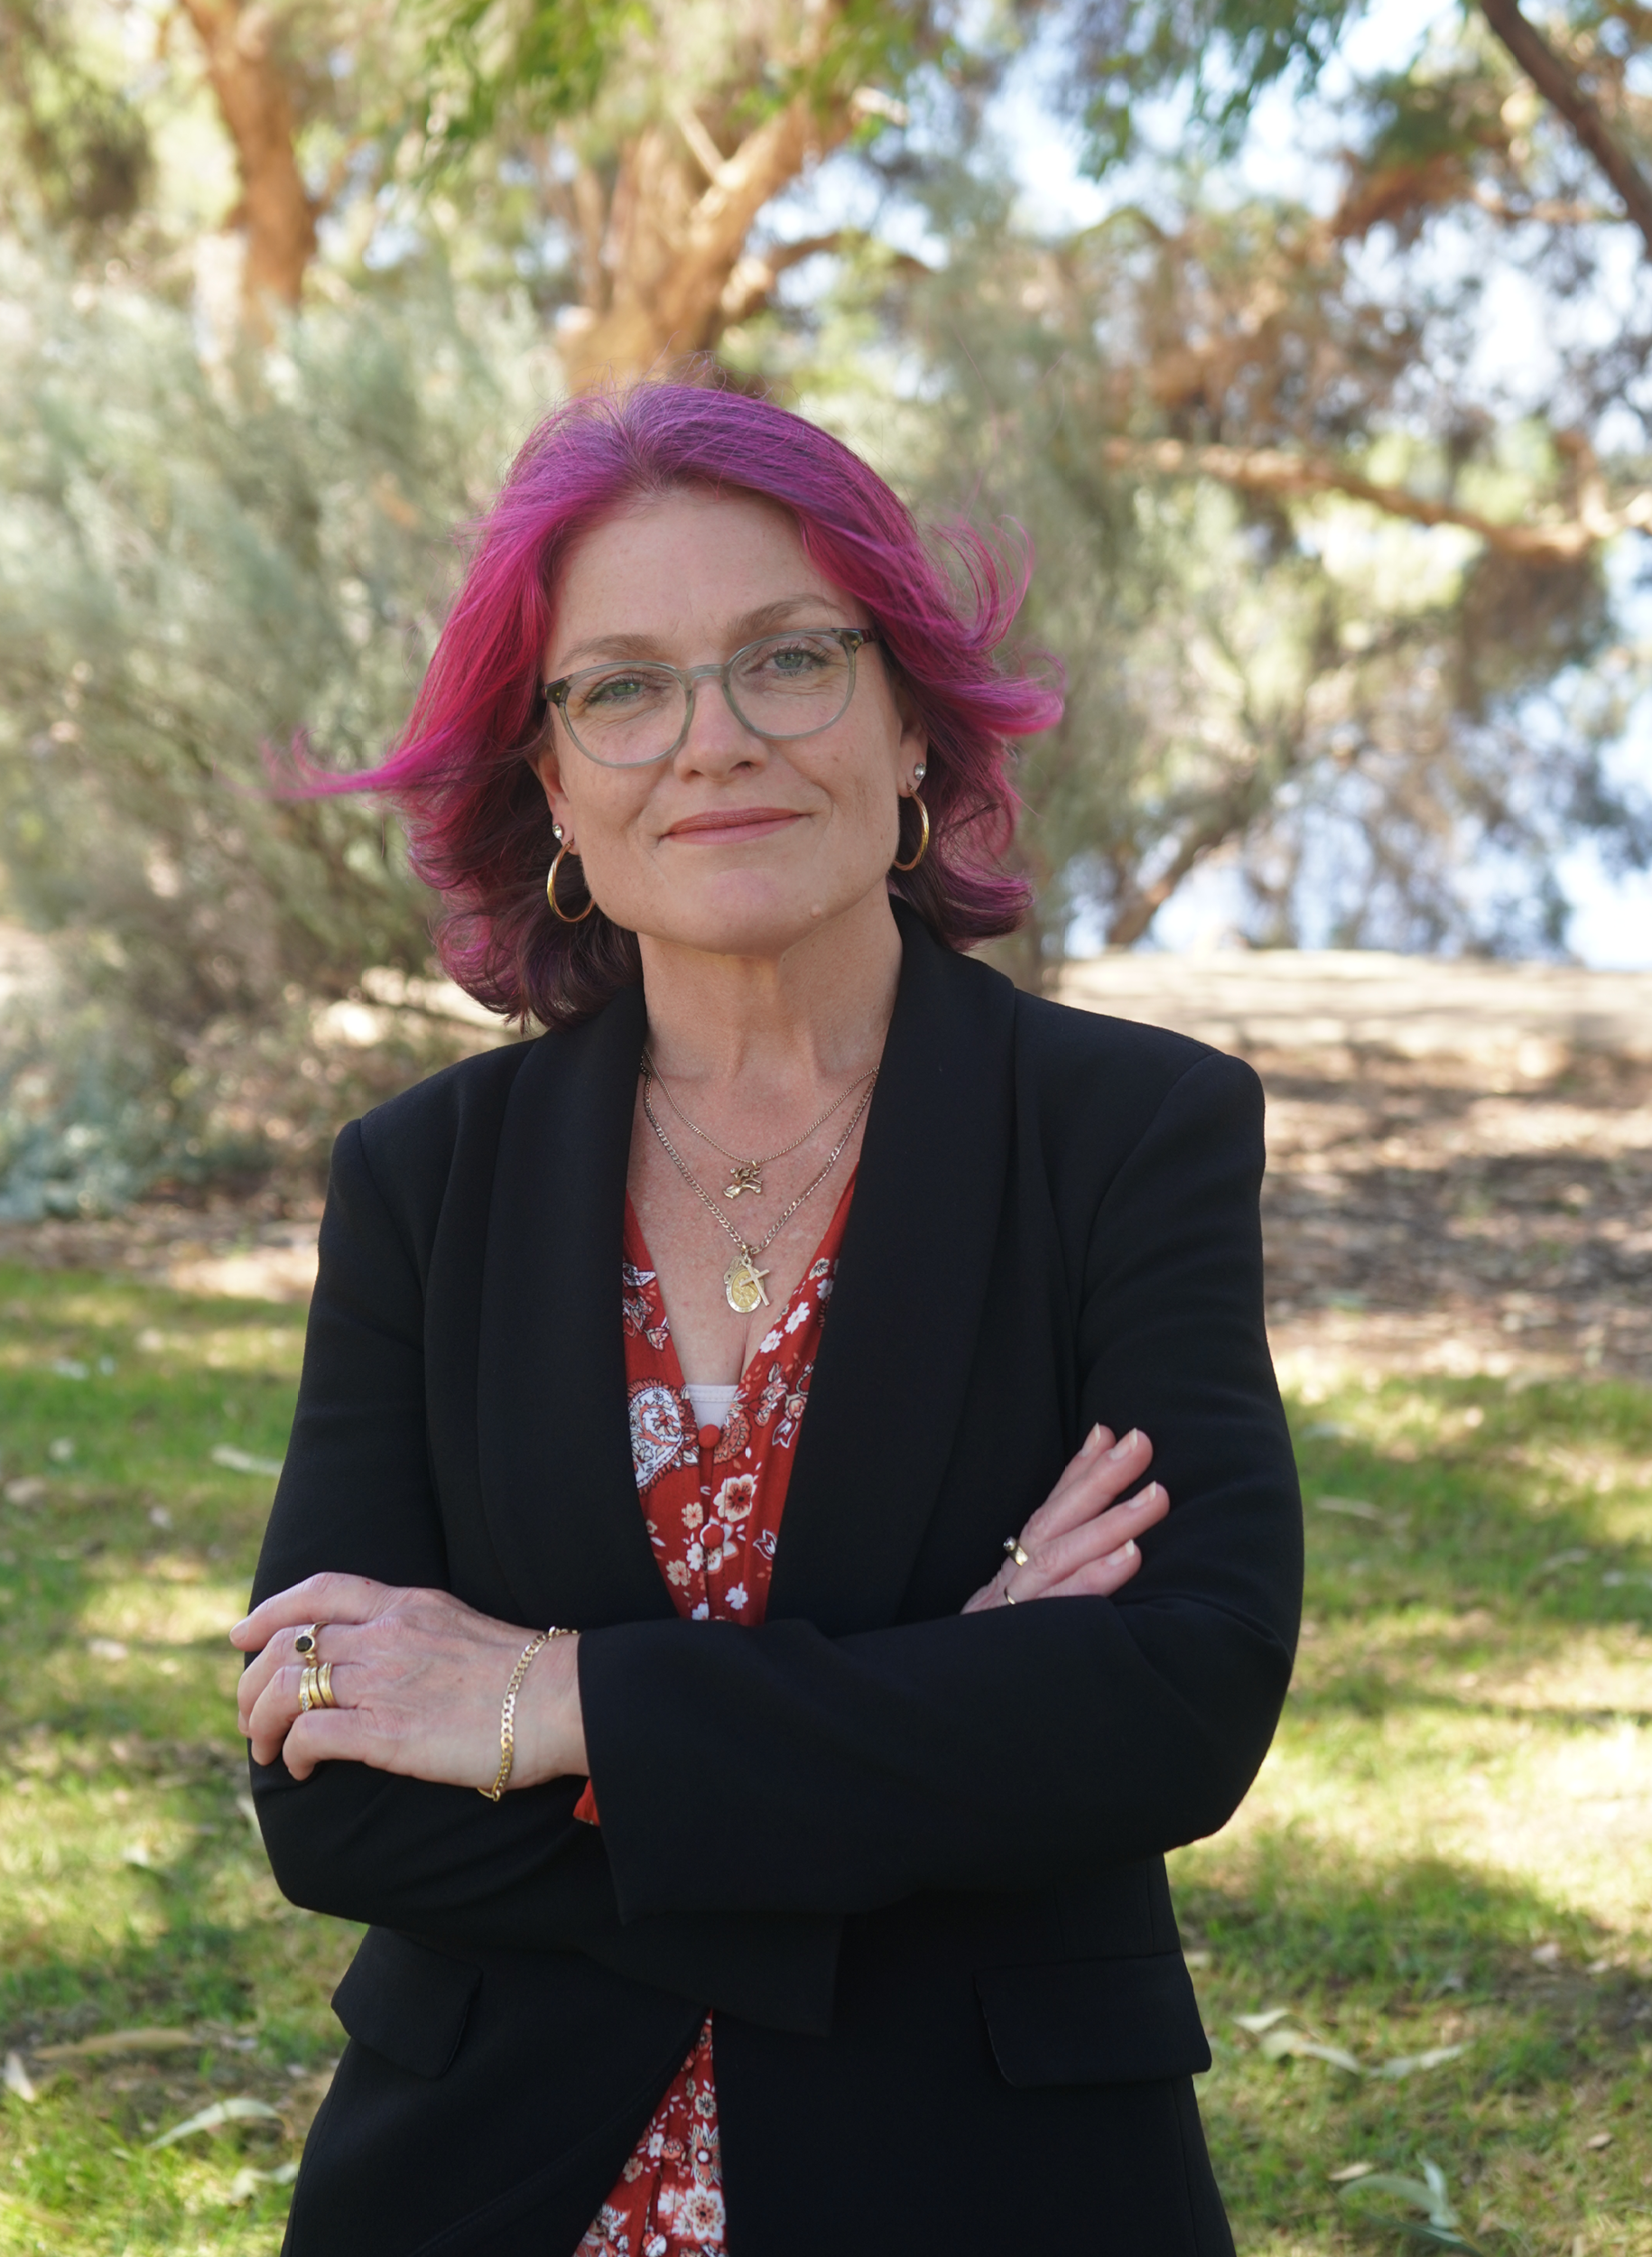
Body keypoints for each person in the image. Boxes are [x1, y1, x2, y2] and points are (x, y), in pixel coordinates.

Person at [231, 376, 1304, 2257]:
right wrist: (949, 1692)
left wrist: (535, 1703)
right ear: (550, 778)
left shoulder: (1129, 1130)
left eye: (788, 658)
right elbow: (332, 1794)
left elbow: (1171, 1705)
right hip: (487, 2182)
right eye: (621, 686)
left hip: (993, 2178)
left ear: (907, 723)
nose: (711, 739)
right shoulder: (421, 1178)